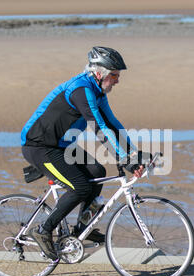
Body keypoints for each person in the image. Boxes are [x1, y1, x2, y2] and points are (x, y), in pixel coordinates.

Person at [21, 46, 146, 261]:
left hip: (61, 146)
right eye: (115, 75)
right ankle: (43, 230)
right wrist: (123, 159)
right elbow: (98, 127)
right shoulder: (81, 90)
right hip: (39, 146)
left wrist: (133, 155)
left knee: (97, 171)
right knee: (80, 187)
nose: (117, 81)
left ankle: (82, 228)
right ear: (100, 73)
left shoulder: (97, 92)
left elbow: (112, 124)